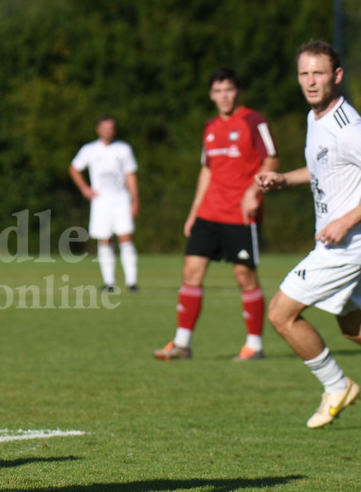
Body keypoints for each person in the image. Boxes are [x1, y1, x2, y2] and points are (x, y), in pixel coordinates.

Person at [257, 40, 361, 428]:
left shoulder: (349, 128)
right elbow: (326, 169)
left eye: (318, 73)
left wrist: (346, 221)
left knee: (281, 314)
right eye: (304, 73)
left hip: (346, 244)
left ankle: (336, 386)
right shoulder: (315, 117)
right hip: (351, 241)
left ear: (336, 76)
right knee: (358, 327)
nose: (310, 81)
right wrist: (284, 178)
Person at [154, 68, 279, 361]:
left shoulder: (254, 121)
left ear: (238, 92)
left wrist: (253, 193)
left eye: (229, 89)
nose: (224, 96)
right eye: (218, 90)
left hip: (241, 215)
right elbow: (207, 170)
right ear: (211, 95)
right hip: (209, 213)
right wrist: (193, 211)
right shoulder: (210, 127)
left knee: (243, 275)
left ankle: (254, 345)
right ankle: (182, 344)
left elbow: (272, 159)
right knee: (191, 272)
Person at [69, 115, 139, 293]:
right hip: (101, 201)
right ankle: (109, 282)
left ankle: (131, 281)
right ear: (98, 129)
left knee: (125, 238)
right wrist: (85, 189)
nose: (108, 131)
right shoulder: (90, 149)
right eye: (105, 127)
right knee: (104, 239)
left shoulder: (123, 149)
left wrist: (134, 199)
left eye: (111, 127)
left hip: (121, 199)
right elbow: (74, 168)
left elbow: (130, 175)